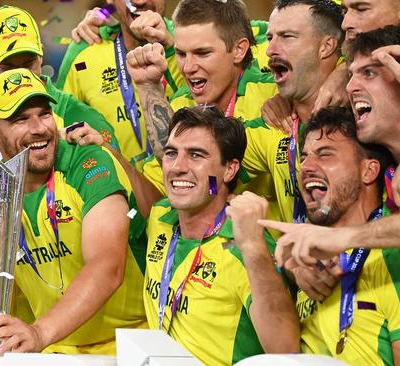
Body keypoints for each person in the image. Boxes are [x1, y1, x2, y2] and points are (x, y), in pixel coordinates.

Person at [0, 68, 148, 355]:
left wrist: (40, 332)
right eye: (20, 119)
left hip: (129, 341)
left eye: (44, 114)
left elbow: (107, 266)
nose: (39, 128)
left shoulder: (89, 162)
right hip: (55, 348)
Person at [264, 26, 400, 273]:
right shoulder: (372, 165)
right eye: (351, 74)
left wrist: (348, 237)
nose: (351, 87)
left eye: (369, 73)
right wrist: (301, 266)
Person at [292, 106, 400, 365]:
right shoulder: (310, 269)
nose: (307, 166)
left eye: (325, 155)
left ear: (369, 171)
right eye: (305, 157)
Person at [143, 105, 298, 364]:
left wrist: (254, 249)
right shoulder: (159, 218)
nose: (178, 167)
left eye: (196, 155)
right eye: (171, 153)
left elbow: (286, 349)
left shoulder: (246, 247)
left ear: (229, 169)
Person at [123, 0, 280, 218]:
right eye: (181, 54)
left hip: (274, 247)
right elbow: (159, 201)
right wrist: (148, 87)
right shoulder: (179, 105)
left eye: (202, 53)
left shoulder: (273, 97)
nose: (188, 68)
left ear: (238, 50)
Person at [0, 5, 119, 161]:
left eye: (27, 65)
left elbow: (122, 184)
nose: (20, 78)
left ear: (41, 56)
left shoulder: (81, 117)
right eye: (7, 68)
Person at [56, 0, 185, 170]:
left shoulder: (192, 41)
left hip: (186, 184)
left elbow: (213, 114)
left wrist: (172, 49)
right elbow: (58, 133)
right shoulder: (84, 51)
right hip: (118, 191)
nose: (139, 1)